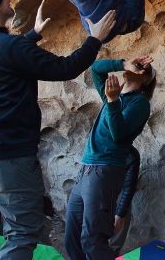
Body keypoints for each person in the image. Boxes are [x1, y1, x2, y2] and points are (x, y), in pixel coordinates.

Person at [0, 0, 117, 260]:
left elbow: (3, 57)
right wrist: (95, 39)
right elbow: (64, 68)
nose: (9, 0)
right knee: (22, 230)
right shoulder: (10, 45)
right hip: (6, 153)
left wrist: (33, 34)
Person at [64, 55, 156, 259]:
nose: (138, 68)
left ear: (146, 80)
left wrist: (114, 101)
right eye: (138, 64)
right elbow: (95, 68)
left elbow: (118, 135)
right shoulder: (112, 96)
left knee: (93, 240)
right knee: (72, 236)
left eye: (143, 68)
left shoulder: (140, 103)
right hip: (86, 169)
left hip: (105, 169)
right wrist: (123, 64)